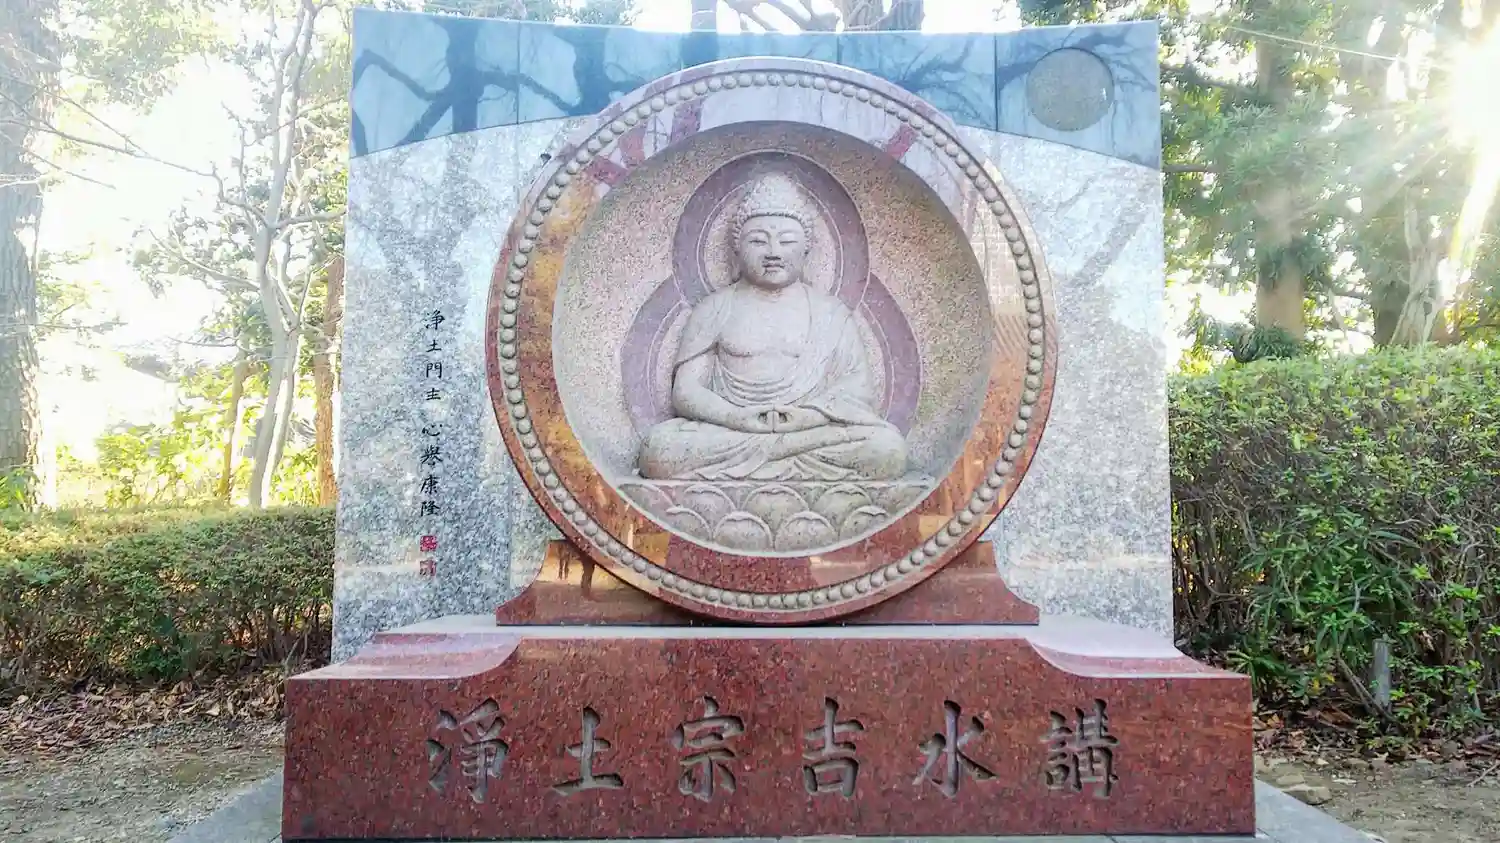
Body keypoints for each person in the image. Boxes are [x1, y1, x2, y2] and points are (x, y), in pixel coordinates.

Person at [637, 172, 907, 482]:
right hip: (733, 432)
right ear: (737, 248)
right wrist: (736, 417)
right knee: (660, 449)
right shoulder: (714, 308)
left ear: (806, 249)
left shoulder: (830, 313)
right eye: (758, 241)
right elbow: (686, 391)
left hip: (808, 431)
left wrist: (807, 416)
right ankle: (782, 466)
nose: (774, 252)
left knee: (887, 448)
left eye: (787, 241)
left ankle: (766, 464)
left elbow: (859, 389)